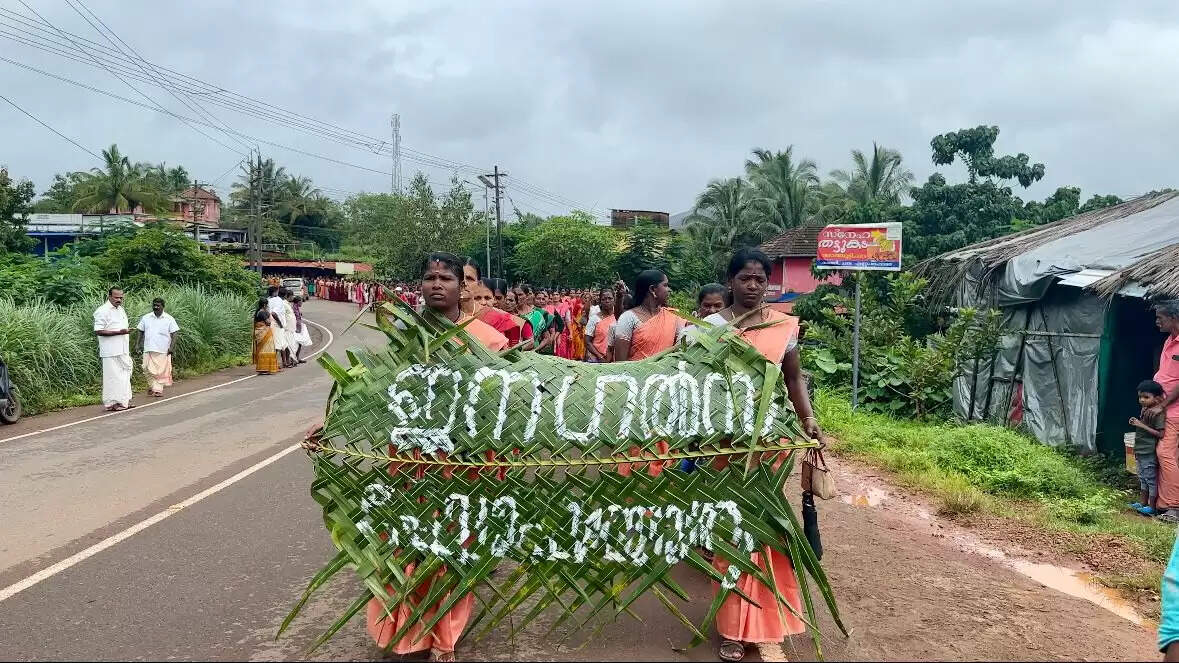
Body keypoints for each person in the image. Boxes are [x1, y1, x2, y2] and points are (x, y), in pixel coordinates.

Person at [366, 252, 505, 662]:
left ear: (464, 287)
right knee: (407, 543)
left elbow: (503, 408)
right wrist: (332, 426)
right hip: (410, 460)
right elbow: (376, 395)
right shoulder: (404, 337)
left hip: (464, 461)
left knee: (453, 548)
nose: (437, 284)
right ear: (420, 286)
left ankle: (445, 637)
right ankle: (408, 630)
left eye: (447, 277)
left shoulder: (488, 340)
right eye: (429, 277)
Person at [702, 248, 821, 662]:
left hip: (769, 441)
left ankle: (768, 620)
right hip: (726, 442)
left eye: (760, 279)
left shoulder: (782, 327)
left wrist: (807, 419)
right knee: (732, 529)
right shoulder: (710, 328)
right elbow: (699, 386)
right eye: (745, 278)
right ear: (730, 280)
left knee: (767, 528)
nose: (753, 286)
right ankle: (733, 627)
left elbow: (793, 377)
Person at [612, 269, 683, 362]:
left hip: (666, 375)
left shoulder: (673, 315)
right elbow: (620, 362)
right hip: (637, 375)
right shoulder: (628, 318)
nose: (669, 290)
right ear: (652, 289)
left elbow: (681, 348)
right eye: (665, 285)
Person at [1151, 301, 1179, 522]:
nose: (1157, 321)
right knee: (1167, 453)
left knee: (1165, 453)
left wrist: (1163, 404)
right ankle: (1163, 504)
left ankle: (1173, 507)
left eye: (1161, 317)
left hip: (1174, 410)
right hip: (1163, 408)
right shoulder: (1169, 341)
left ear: (1174, 318)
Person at [94, 287, 134, 411]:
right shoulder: (102, 311)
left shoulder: (121, 310)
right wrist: (119, 332)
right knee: (113, 378)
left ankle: (124, 401)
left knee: (125, 375)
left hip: (122, 349)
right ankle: (112, 403)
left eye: (121, 297)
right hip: (110, 351)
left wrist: (124, 333)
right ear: (109, 296)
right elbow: (98, 331)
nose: (119, 300)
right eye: (116, 297)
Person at [135, 297, 180, 397]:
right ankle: (152, 386)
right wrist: (138, 344)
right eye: (154, 305)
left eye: (158, 305)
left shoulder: (169, 318)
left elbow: (174, 334)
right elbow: (140, 331)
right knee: (145, 368)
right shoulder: (146, 317)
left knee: (159, 372)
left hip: (163, 349)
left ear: (163, 307)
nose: (155, 307)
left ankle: (158, 390)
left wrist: (172, 347)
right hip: (148, 348)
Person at [585, 287, 616, 363]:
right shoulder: (594, 319)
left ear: (614, 300)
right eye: (604, 299)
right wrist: (600, 357)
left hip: (615, 359)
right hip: (597, 359)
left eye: (610, 298)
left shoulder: (619, 317)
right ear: (600, 301)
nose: (607, 301)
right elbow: (587, 342)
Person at [266, 286, 291, 369]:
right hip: (277, 324)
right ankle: (278, 363)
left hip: (271, 324)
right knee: (279, 344)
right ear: (275, 292)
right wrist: (280, 323)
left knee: (281, 344)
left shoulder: (268, 300)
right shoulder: (278, 300)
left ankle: (283, 362)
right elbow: (274, 313)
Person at [252, 305, 280, 375]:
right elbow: (268, 322)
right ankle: (266, 368)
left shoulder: (258, 312)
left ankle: (262, 368)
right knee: (267, 350)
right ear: (264, 305)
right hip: (265, 332)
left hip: (259, 332)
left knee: (261, 350)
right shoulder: (262, 313)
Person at [290, 296, 314, 363]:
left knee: (299, 343)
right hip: (295, 328)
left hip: (298, 327)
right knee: (295, 344)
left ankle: (297, 358)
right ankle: (293, 359)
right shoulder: (293, 309)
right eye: (301, 301)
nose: (302, 303)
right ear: (298, 302)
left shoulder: (296, 308)